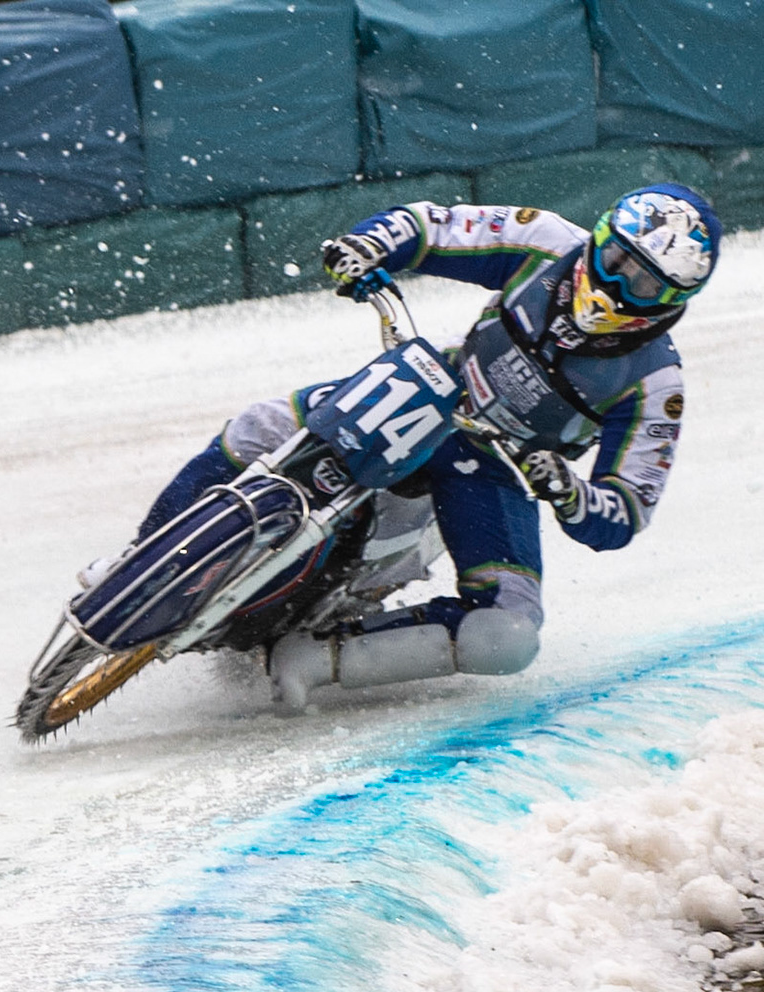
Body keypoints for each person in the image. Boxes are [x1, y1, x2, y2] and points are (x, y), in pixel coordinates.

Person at [138, 185, 720, 708]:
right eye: (615, 260)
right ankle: (138, 555)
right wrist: (367, 246)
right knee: (259, 427)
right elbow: (431, 225)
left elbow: (626, 510)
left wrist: (568, 492)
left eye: (644, 283)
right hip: (434, 387)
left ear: (672, 298)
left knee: (509, 634)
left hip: (497, 469)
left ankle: (319, 658)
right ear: (597, 239)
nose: (617, 285)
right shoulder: (544, 240)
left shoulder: (655, 384)